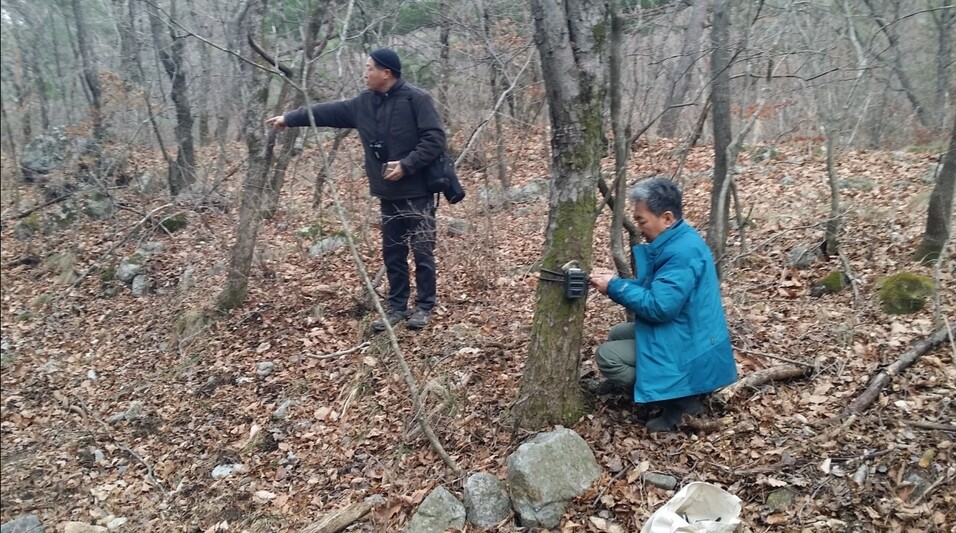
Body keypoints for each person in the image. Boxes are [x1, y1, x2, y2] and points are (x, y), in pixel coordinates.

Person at [267, 48, 445, 331]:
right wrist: (289, 118)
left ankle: (424, 307)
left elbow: (435, 139)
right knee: (393, 254)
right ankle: (397, 308)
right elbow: (326, 112)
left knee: (423, 252)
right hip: (386, 194)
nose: (365, 73)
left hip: (418, 192)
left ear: (386, 73)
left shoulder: (417, 99)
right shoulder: (363, 104)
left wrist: (407, 165)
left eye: (369, 68)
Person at [589, 177, 737, 433]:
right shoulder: (678, 241)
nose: (638, 226)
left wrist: (615, 286)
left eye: (641, 220)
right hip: (688, 331)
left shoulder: (682, 252)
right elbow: (659, 290)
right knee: (617, 334)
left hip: (691, 344)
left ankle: (680, 401)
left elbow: (660, 307)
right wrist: (613, 283)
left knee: (607, 357)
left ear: (667, 218)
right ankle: (671, 388)